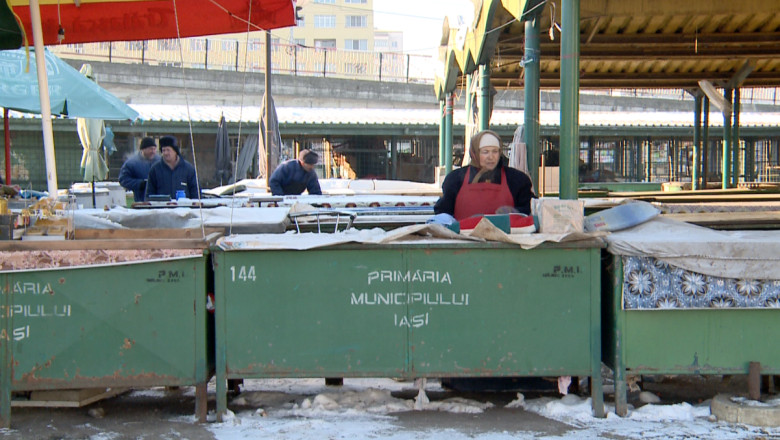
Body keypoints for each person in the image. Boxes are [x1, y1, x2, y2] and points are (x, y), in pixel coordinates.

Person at [434, 130, 534, 220]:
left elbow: (531, 208)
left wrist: (516, 212)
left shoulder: (517, 179)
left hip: (505, 239)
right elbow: (442, 212)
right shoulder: (455, 179)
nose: (491, 157)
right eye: (485, 152)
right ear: (474, 154)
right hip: (465, 238)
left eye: (495, 151)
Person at [145, 135, 199, 200]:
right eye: (163, 150)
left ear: (175, 151)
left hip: (184, 209)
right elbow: (149, 194)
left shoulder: (188, 169)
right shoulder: (155, 169)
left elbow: (196, 194)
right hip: (161, 209)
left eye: (168, 150)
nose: (165, 153)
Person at [119, 137, 160, 202]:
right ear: (143, 149)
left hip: (161, 201)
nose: (153, 152)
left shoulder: (160, 161)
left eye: (154, 149)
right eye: (150, 149)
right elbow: (123, 180)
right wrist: (140, 184)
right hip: (141, 201)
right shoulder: (131, 163)